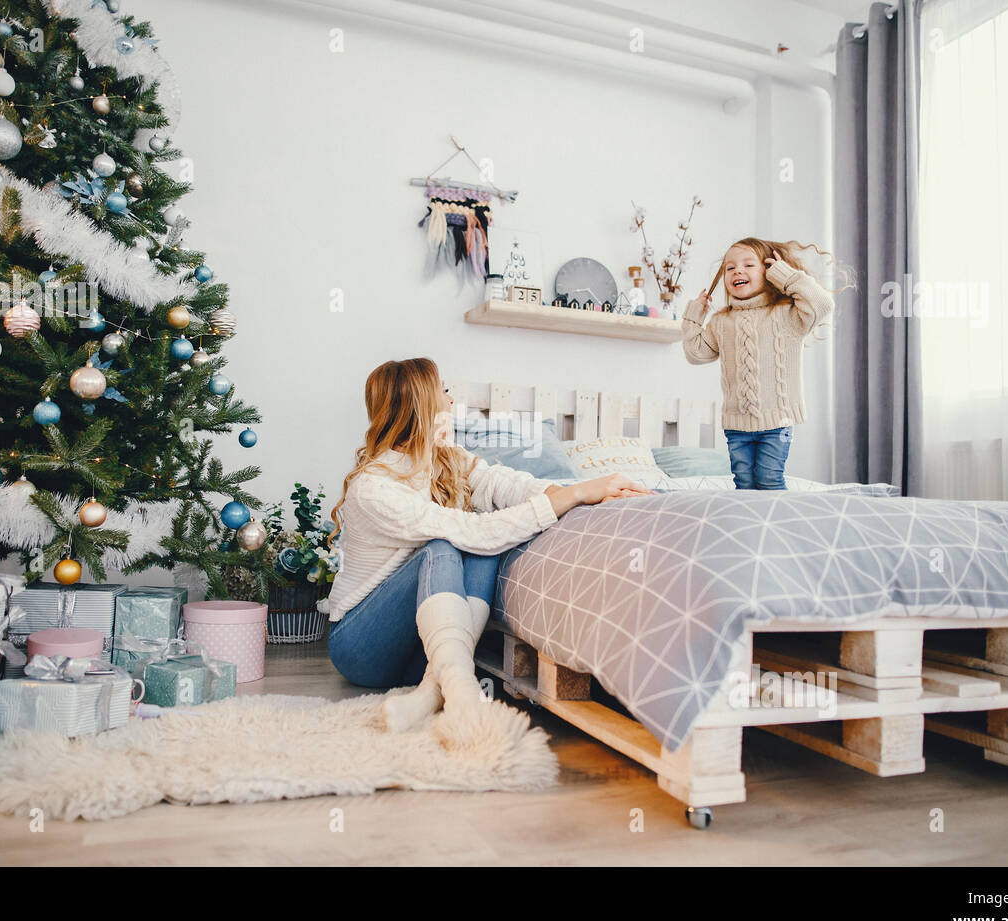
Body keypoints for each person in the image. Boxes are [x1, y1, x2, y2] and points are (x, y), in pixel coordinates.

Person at [325, 357, 649, 733]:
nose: (450, 399)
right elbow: (474, 531)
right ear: (420, 404)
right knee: (445, 546)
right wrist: (575, 493)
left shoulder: (448, 459)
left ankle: (434, 693)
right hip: (361, 647)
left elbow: (504, 484)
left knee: (483, 551)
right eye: (442, 390)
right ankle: (462, 691)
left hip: (421, 650)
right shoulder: (374, 488)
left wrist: (577, 493)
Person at [682, 237, 835, 490]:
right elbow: (696, 353)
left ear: (769, 271)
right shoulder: (721, 321)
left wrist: (785, 275)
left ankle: (775, 528)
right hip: (737, 427)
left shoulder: (788, 314)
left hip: (776, 423)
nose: (737, 271)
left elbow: (822, 303)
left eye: (748, 265)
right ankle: (749, 528)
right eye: (729, 268)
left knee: (768, 480)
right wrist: (695, 315)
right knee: (744, 484)